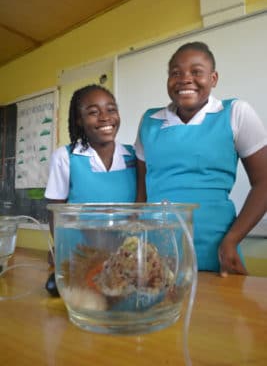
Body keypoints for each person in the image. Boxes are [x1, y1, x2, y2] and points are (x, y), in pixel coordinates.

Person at [135, 41, 267, 276]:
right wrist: (135, 241)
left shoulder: (235, 113)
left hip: (216, 252)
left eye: (196, 72)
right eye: (175, 73)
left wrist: (231, 241)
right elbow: (142, 192)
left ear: (213, 78)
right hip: (155, 254)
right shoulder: (149, 121)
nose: (185, 79)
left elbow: (264, 182)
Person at [44, 84, 137, 294]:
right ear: (79, 120)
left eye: (111, 110)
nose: (105, 117)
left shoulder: (133, 156)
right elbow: (55, 211)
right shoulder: (66, 157)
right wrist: (58, 247)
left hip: (124, 258)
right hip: (81, 256)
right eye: (93, 112)